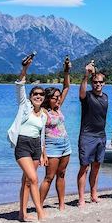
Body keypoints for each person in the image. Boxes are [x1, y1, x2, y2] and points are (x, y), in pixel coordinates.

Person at [7, 58, 48, 221]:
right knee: (33, 178)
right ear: (31, 97)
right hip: (23, 144)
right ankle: (39, 211)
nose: (38, 96)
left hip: (36, 146)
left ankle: (22, 214)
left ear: (44, 97)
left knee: (26, 181)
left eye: (41, 94)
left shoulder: (44, 114)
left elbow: (42, 134)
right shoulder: (24, 106)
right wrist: (25, 68)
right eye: (35, 94)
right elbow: (19, 85)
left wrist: (44, 152)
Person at [39, 59, 72, 210]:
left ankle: (61, 204)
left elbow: (66, 87)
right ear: (48, 99)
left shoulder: (58, 107)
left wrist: (66, 71)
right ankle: (39, 204)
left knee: (62, 174)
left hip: (65, 145)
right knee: (49, 177)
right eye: (55, 97)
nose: (58, 99)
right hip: (52, 147)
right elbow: (40, 135)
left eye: (59, 97)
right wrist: (43, 153)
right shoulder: (43, 112)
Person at [77, 63, 108, 207]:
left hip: (101, 136)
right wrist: (86, 75)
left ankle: (93, 194)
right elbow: (81, 92)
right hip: (87, 136)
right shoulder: (87, 96)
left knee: (96, 166)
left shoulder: (106, 97)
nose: (98, 84)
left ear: (104, 83)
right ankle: (81, 198)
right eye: (95, 82)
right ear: (92, 83)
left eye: (100, 82)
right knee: (84, 167)